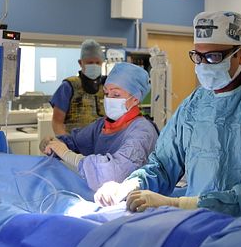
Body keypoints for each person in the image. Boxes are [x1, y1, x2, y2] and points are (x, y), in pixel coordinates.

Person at [94, 11, 241, 236]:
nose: (203, 65)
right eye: (198, 56)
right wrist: (129, 186)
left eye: (213, 57)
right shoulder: (195, 103)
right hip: (196, 229)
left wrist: (177, 204)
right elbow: (163, 165)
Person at [42, 62, 159, 190]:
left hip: (135, 201)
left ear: (135, 99)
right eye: (106, 93)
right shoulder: (101, 126)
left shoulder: (143, 132)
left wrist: (69, 156)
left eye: (116, 95)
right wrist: (53, 144)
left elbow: (113, 174)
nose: (109, 99)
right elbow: (74, 142)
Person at [50, 39, 106, 135]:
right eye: (90, 62)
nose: (94, 65)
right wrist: (67, 145)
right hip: (74, 145)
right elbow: (57, 123)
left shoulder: (106, 86)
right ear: (80, 63)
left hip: (101, 145)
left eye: (97, 63)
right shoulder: (68, 87)